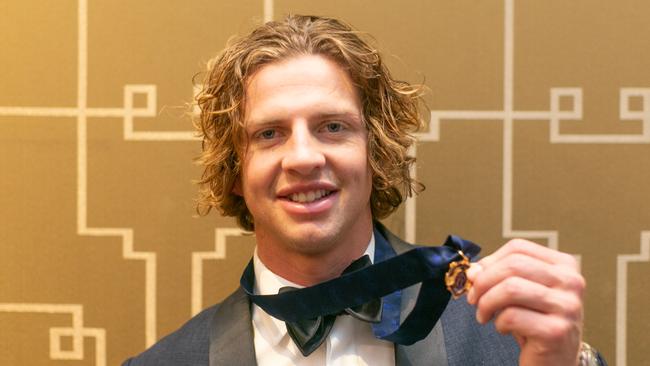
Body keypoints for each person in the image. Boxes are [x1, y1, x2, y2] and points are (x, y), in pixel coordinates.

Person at [124, 15, 605, 366]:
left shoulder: (506, 335)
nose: (304, 157)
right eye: (269, 134)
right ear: (234, 170)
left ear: (376, 153)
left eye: (332, 126)